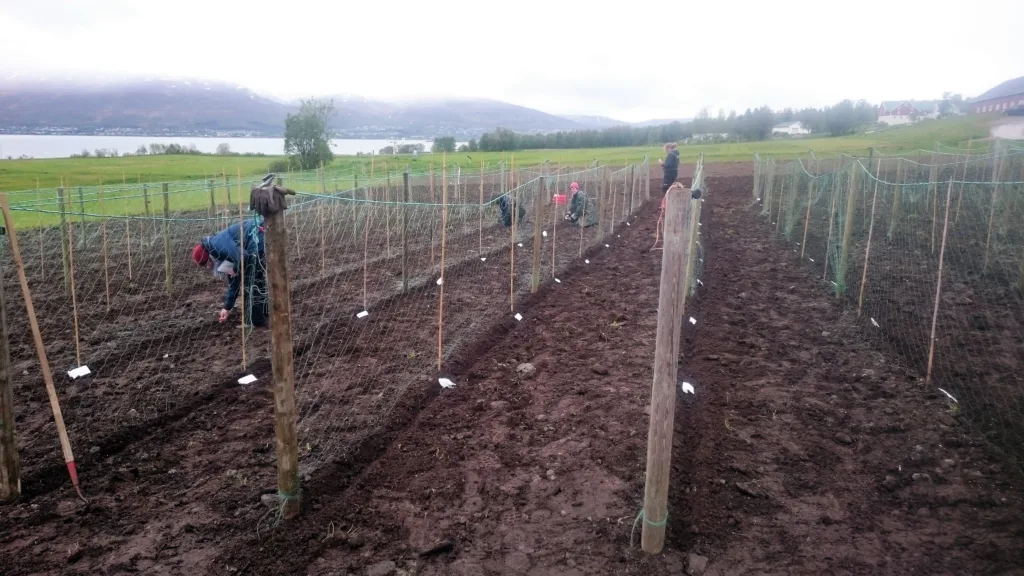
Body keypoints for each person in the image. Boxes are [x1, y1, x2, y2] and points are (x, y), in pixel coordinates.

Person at [192, 218, 268, 327]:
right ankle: (264, 313)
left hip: (257, 235)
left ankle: (254, 321)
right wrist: (227, 307)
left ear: (208, 257)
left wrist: (236, 269)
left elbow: (243, 257)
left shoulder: (218, 246)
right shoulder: (219, 253)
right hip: (257, 235)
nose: (209, 267)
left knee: (250, 279)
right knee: (255, 275)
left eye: (207, 264)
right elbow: (234, 283)